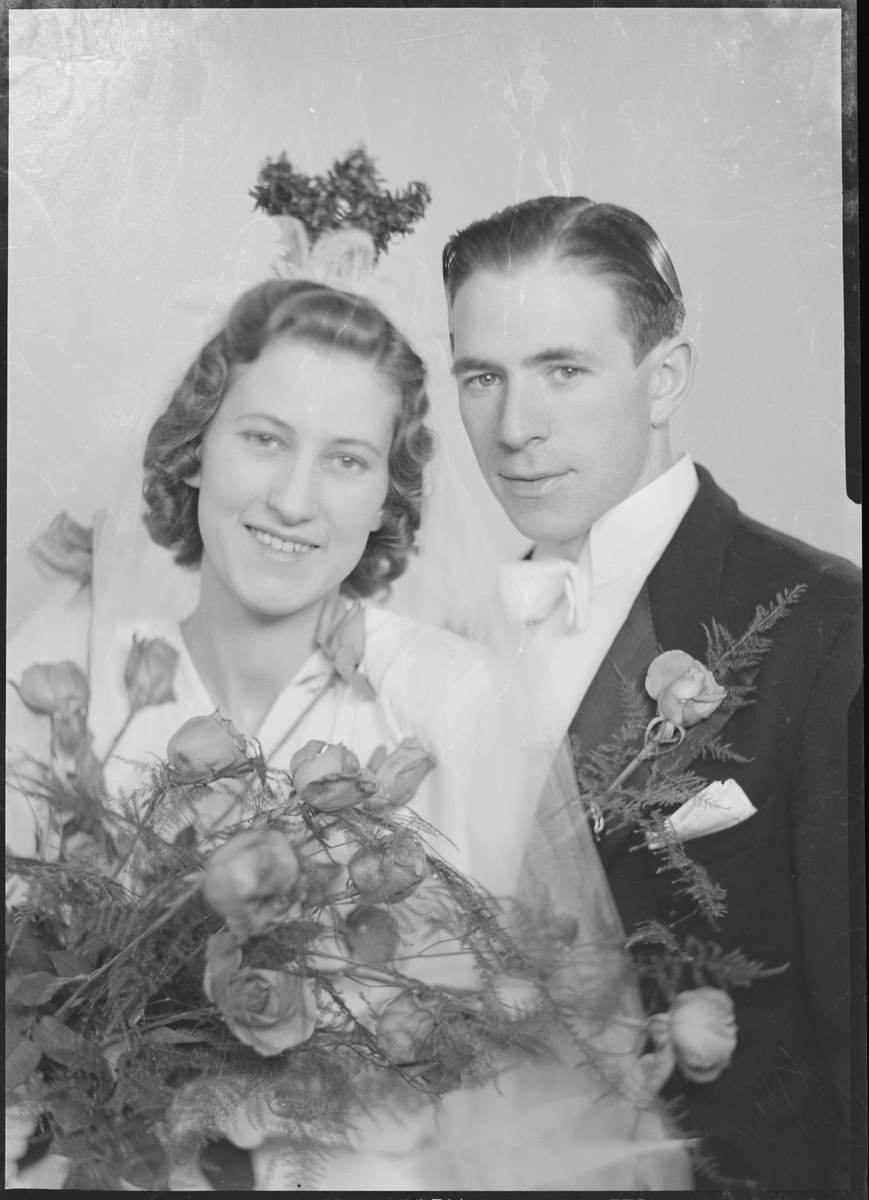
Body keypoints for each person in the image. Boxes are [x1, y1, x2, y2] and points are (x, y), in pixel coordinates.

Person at [5, 270, 690, 1190]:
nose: (294, 500)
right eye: (263, 439)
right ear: (195, 449)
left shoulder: (455, 701)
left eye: (347, 460)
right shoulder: (68, 682)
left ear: (385, 500)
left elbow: (557, 1050)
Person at [442, 194, 862, 1191]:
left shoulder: (827, 625)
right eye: (481, 377)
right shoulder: (452, 647)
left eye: (562, 370)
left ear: (663, 376)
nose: (514, 428)